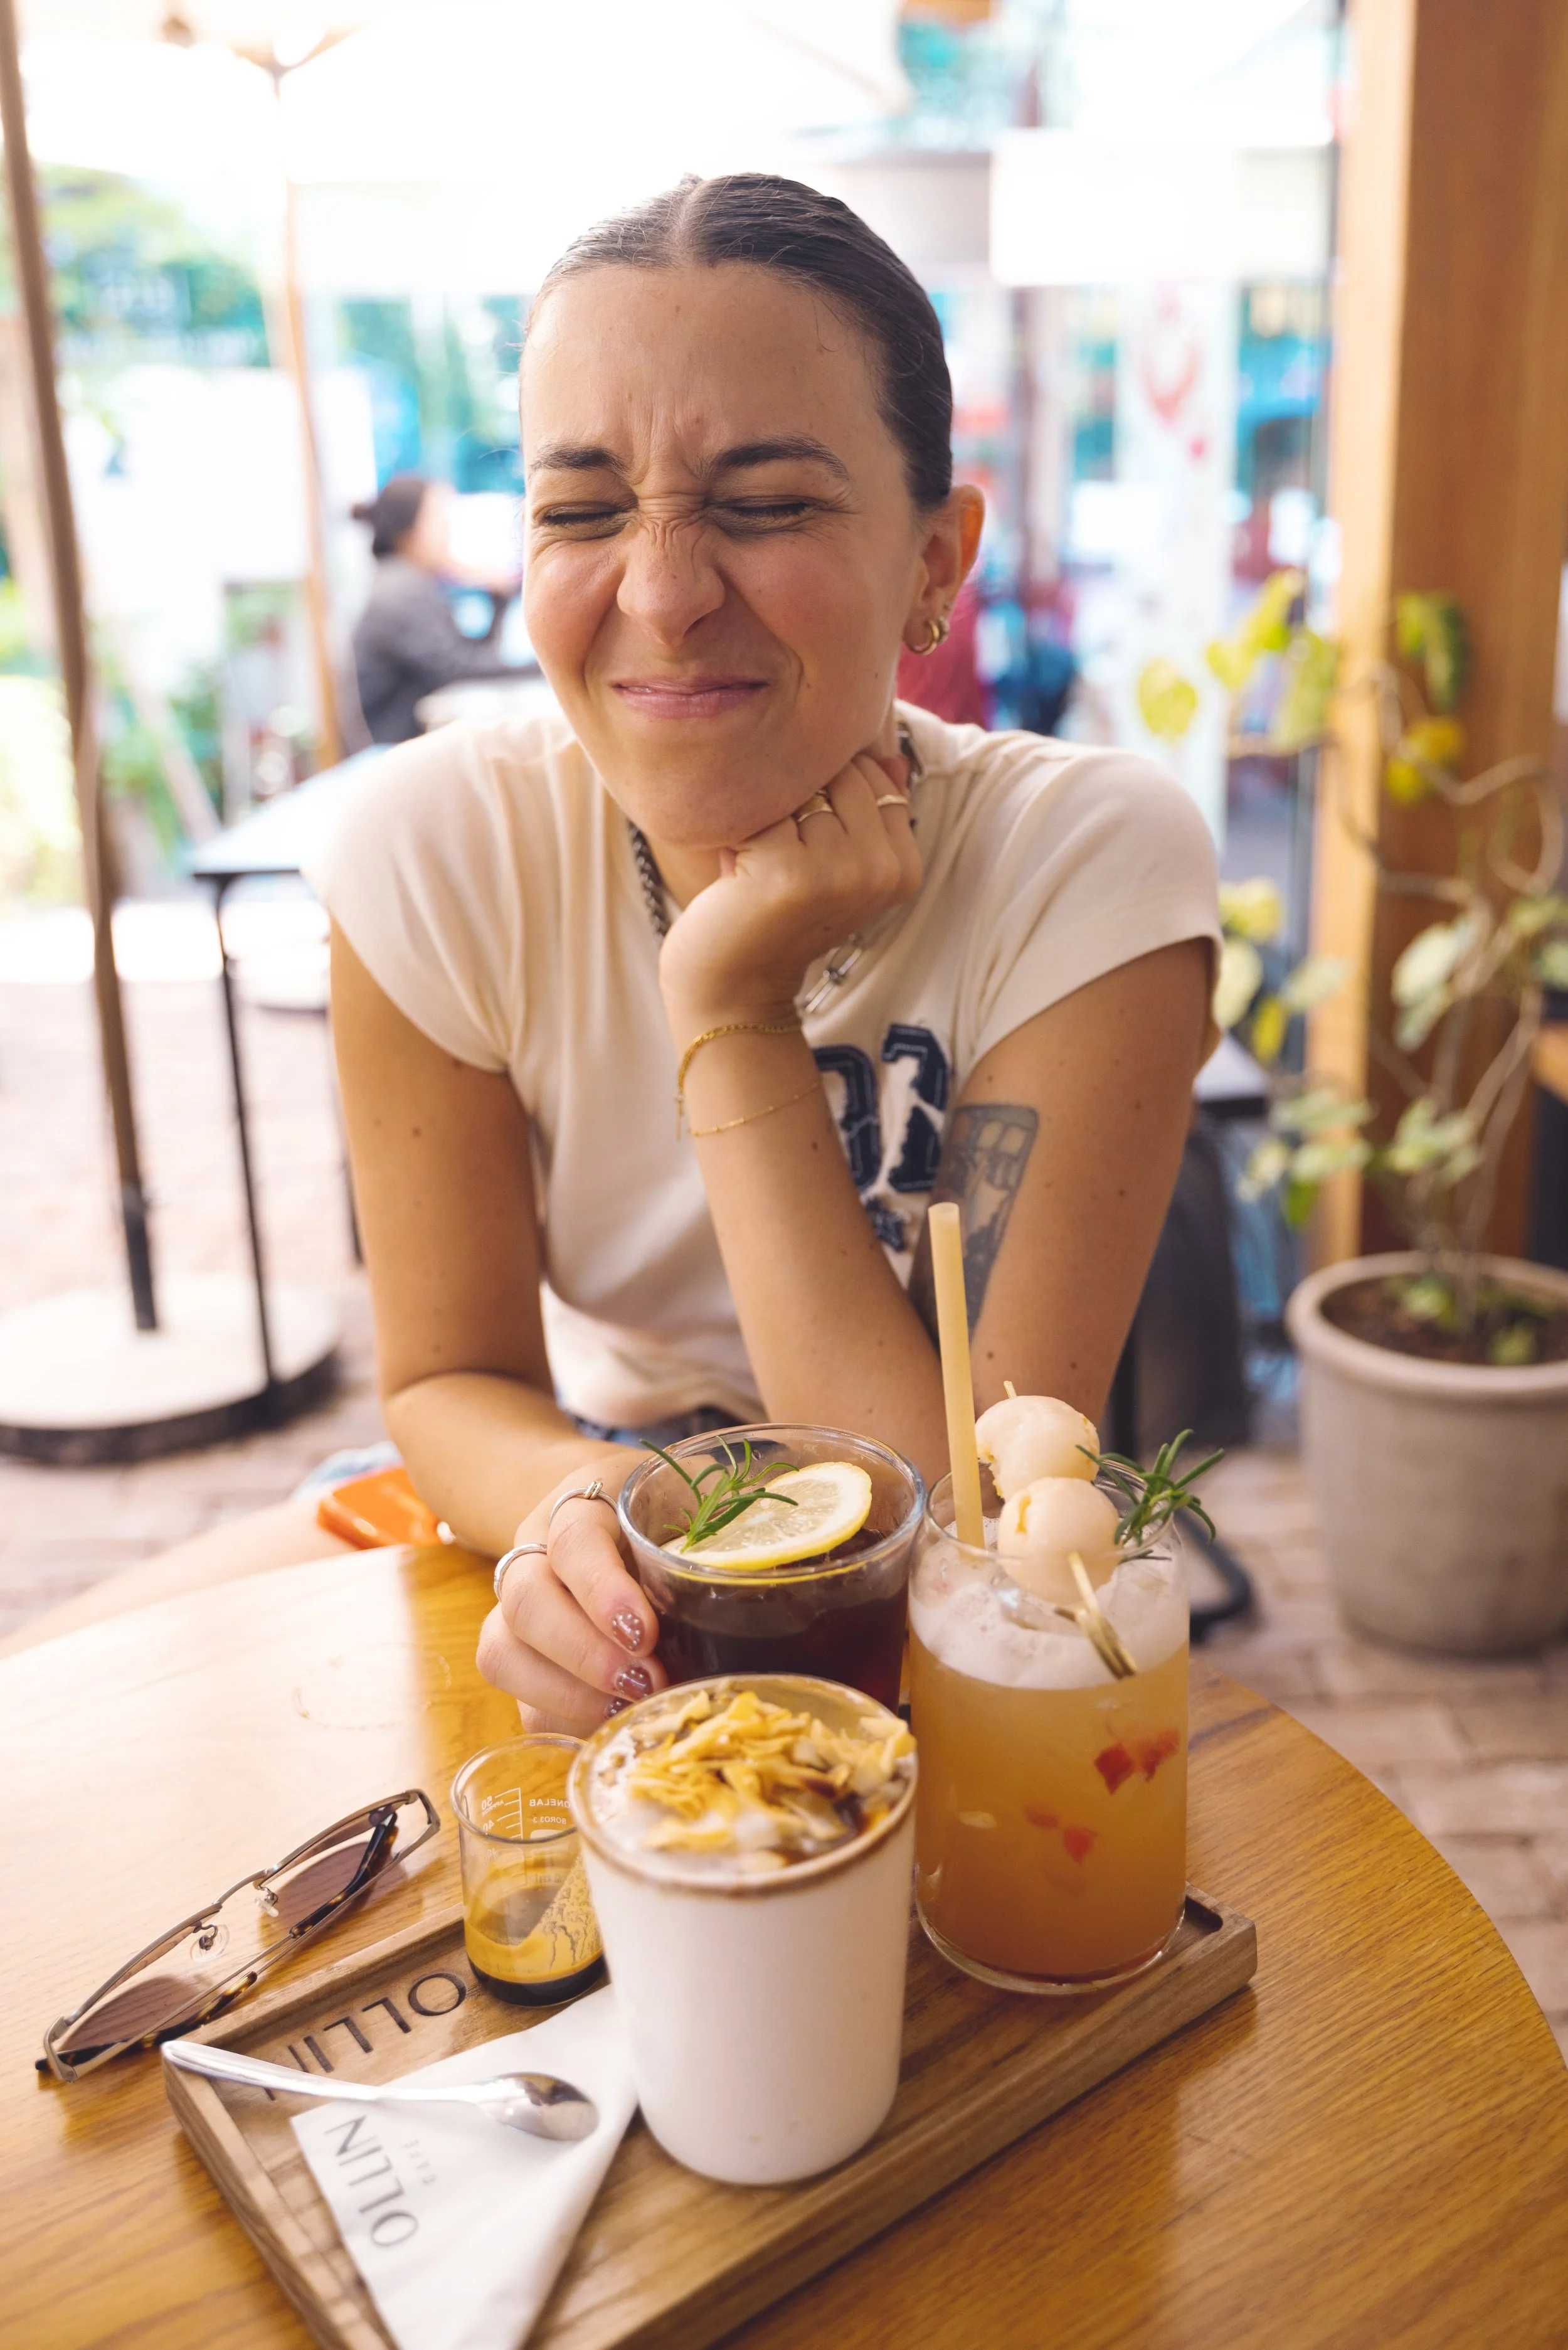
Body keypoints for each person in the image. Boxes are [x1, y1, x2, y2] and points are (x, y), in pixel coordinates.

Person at [9, 176, 1219, 1701]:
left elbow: (955, 1533)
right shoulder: (441, 849)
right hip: (576, 1502)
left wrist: (731, 1002)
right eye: (582, 510)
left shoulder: (1085, 865)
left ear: (935, 556)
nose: (658, 591)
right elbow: (448, 1382)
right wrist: (575, 1506)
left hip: (930, 1639)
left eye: (767, 504)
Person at [350, 473, 534, 743]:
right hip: (396, 751)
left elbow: (471, 657)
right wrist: (545, 666)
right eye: (438, 517)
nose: (448, 528)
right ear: (409, 531)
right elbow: (459, 669)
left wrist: (497, 595)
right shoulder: (401, 590)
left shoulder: (405, 581)